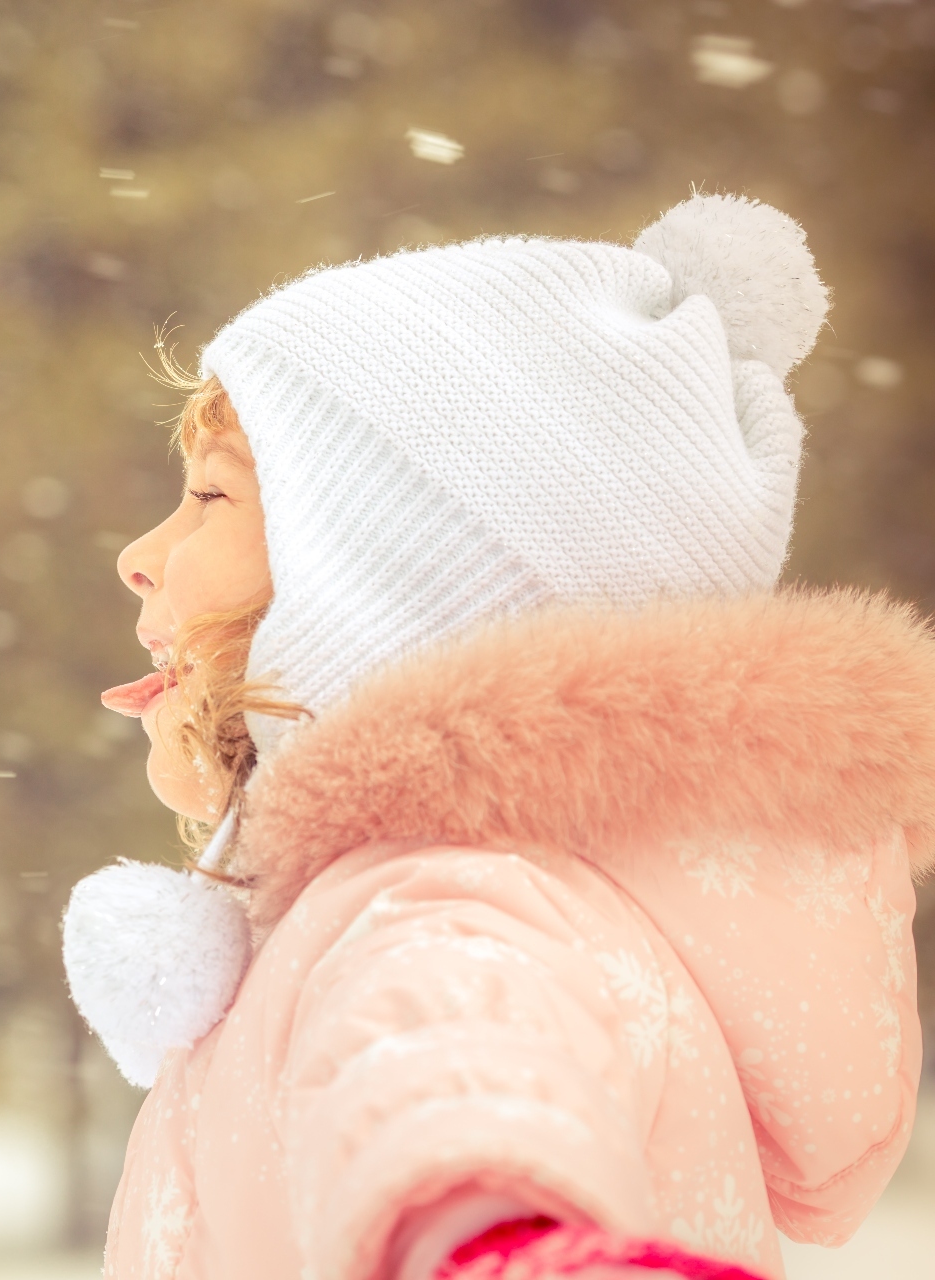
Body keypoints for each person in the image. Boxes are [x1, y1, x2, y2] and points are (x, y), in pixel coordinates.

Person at [61, 195, 935, 1280]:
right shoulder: (502, 897)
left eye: (209, 494)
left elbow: (453, 1084)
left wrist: (496, 1241)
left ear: (386, 577)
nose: (140, 554)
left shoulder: (442, 906)